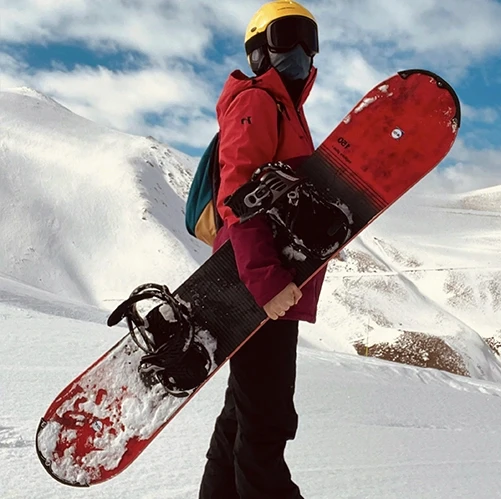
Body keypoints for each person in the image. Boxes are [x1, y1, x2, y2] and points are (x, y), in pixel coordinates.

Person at [198, 2, 326, 498]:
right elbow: (239, 193)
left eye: (308, 40)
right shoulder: (257, 101)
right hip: (258, 281)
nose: (299, 51)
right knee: (267, 422)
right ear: (257, 52)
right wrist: (268, 282)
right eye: (285, 36)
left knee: (244, 414)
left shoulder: (287, 111)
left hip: (264, 281)